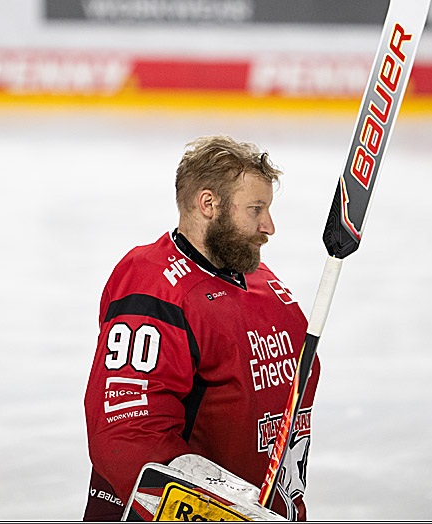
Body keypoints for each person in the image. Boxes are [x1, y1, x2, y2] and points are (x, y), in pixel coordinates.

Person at [82, 135, 320, 521]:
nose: (269, 226)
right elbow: (127, 431)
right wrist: (217, 516)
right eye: (255, 209)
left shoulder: (266, 285)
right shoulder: (153, 285)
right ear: (208, 204)